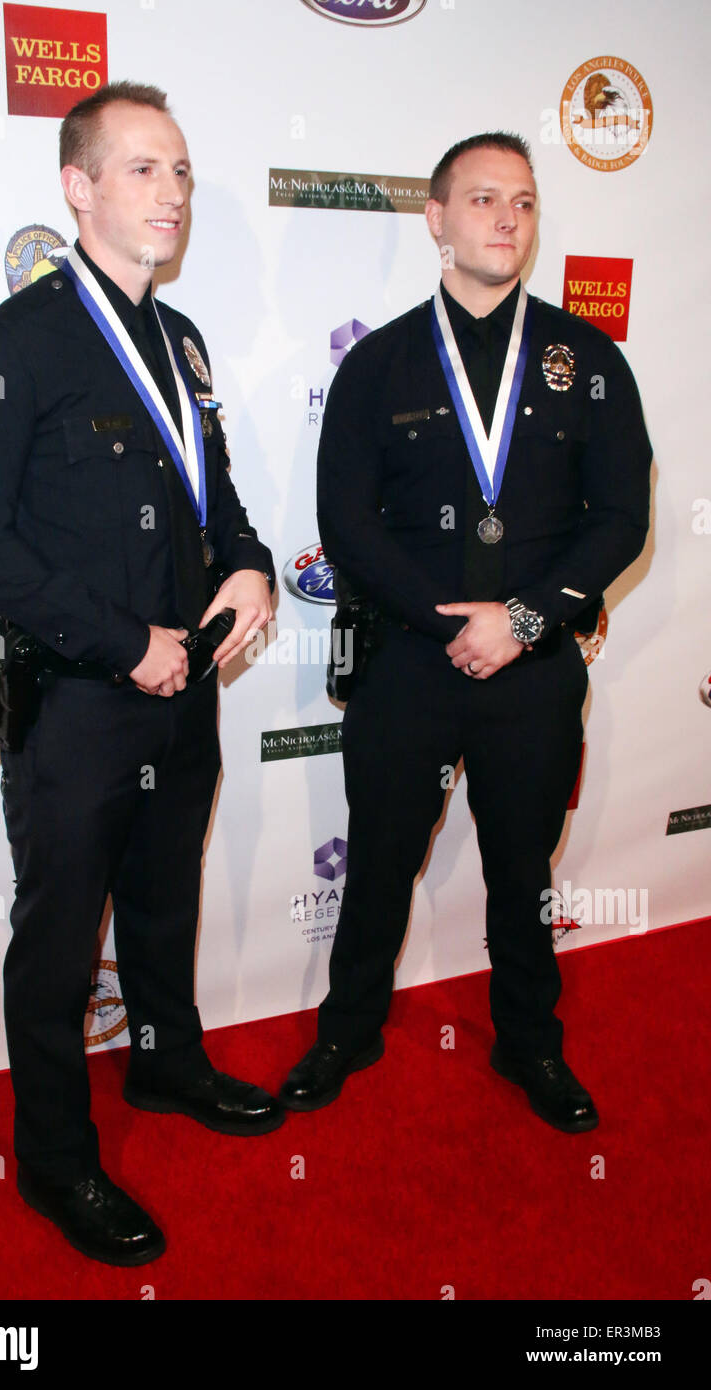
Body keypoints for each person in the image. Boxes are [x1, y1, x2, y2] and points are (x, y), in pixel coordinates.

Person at [0, 81, 282, 1267]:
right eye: (142, 169)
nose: (171, 193)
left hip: (185, 690)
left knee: (164, 895)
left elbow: (214, 502)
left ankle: (167, 1064)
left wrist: (249, 571)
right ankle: (53, 1159)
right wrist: (123, 644)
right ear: (77, 189)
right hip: (79, 706)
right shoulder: (6, 347)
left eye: (179, 171)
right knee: (58, 936)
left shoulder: (180, 343)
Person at [279, 132, 651, 1133]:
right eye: (481, 199)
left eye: (522, 202)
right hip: (407, 662)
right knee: (381, 859)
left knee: (522, 871)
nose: (504, 219)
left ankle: (528, 1039)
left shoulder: (587, 359)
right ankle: (348, 1026)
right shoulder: (376, 361)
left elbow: (620, 518)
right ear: (435, 219)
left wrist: (522, 620)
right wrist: (446, 623)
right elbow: (344, 520)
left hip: (532, 667)